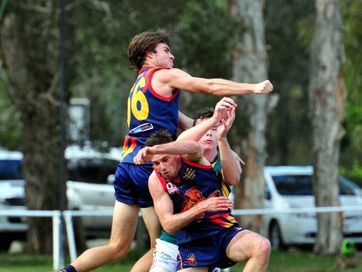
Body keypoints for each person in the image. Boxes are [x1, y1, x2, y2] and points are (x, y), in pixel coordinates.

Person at [60, 30, 272, 272]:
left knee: (117, 246)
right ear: (150, 54)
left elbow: (191, 126)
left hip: (126, 168)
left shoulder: (139, 86)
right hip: (151, 164)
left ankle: (67, 271)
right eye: (166, 50)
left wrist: (223, 142)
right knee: (162, 246)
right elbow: (209, 86)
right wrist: (253, 87)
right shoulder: (163, 76)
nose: (171, 56)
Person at [134, 127, 271, 272]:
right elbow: (168, 225)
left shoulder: (193, 157)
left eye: (165, 160)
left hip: (223, 232)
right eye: (156, 163)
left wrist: (155, 149)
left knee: (262, 246)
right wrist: (202, 207)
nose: (162, 168)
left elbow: (193, 146)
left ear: (176, 154)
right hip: (194, 243)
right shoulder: (155, 180)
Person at [150, 97, 243, 272]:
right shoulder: (174, 161)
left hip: (209, 238)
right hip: (174, 239)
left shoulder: (227, 159)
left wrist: (224, 141)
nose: (208, 133)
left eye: (213, 129)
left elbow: (232, 180)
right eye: (203, 130)